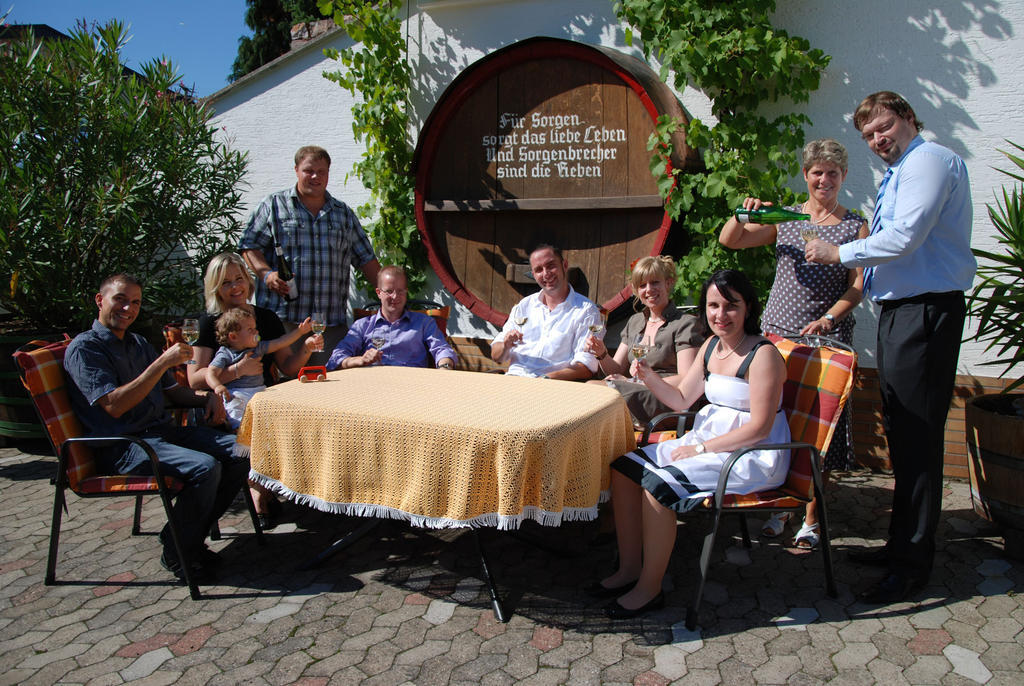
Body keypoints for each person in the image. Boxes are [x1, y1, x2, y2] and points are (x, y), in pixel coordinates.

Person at [805, 91, 975, 603]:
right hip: (905, 313)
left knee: (918, 440)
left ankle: (911, 565)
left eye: (884, 127)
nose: (879, 139)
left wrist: (840, 251)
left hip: (924, 311)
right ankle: (901, 545)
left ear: (906, 117)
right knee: (904, 435)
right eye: (869, 136)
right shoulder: (905, 168)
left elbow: (905, 237)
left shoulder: (929, 161)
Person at [590, 269, 790, 618]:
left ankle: (649, 589)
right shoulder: (712, 347)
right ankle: (629, 568)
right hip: (707, 439)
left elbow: (760, 427)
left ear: (748, 308)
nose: (720, 314)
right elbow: (682, 399)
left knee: (656, 487)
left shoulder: (763, 355)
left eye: (731, 306)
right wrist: (649, 377)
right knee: (623, 468)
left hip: (749, 454)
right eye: (713, 305)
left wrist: (700, 449)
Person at [719, 138, 869, 548]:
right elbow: (731, 240)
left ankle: (812, 519)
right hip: (778, 338)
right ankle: (783, 508)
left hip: (826, 340)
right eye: (817, 172)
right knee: (778, 421)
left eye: (833, 173)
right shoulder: (786, 218)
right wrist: (741, 213)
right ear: (805, 175)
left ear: (842, 178)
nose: (824, 179)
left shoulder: (854, 225)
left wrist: (828, 318)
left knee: (818, 429)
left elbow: (858, 288)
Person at [63, 274, 249, 583]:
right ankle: (180, 550)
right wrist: (161, 363)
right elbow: (114, 405)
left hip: (162, 434)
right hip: (123, 445)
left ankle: (183, 539)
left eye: (135, 302)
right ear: (100, 300)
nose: (128, 308)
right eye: (120, 299)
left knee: (242, 452)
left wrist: (206, 398)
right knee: (205, 469)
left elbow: (173, 393)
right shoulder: (85, 349)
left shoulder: (137, 343)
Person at [187, 252, 323, 528]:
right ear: (215, 287)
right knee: (251, 427)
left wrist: (306, 349)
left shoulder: (266, 318)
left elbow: (287, 365)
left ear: (249, 282)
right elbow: (194, 378)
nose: (235, 287)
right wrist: (237, 371)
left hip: (266, 396)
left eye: (239, 279)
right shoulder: (208, 323)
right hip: (228, 401)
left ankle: (303, 488)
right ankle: (260, 492)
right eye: (226, 282)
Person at [239, 145, 381, 364]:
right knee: (281, 388)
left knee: (328, 386)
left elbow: (366, 259)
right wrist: (267, 275)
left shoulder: (342, 213)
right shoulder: (274, 206)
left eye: (321, 171)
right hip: (282, 323)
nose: (315, 176)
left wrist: (390, 295)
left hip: (328, 325)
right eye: (308, 170)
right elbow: (249, 245)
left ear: (328, 173)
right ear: (296, 170)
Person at [585, 256, 703, 425]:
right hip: (635, 392)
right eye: (642, 285)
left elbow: (686, 378)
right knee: (588, 387)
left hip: (666, 399)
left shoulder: (685, 324)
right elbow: (617, 368)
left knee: (596, 393)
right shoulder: (635, 322)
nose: (649, 289)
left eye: (655, 282)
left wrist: (636, 382)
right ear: (636, 290)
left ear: (668, 283)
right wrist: (601, 353)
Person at [490, 244, 602, 380]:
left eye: (551, 266)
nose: (546, 273)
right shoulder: (524, 306)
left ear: (564, 265)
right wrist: (505, 346)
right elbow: (496, 356)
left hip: (553, 387)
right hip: (514, 380)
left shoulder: (586, 311)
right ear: (533, 275)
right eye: (538, 270)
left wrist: (545, 379)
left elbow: (586, 367)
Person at [327, 265, 456, 370]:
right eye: (389, 291)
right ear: (379, 293)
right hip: (372, 388)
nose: (395, 297)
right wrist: (359, 360)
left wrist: (444, 368)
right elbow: (336, 358)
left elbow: (442, 349)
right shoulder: (362, 326)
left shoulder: (423, 323)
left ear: (406, 292)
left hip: (412, 387)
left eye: (400, 291)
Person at [208, 306, 314, 429]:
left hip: (260, 390)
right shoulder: (225, 353)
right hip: (237, 394)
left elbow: (280, 342)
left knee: (274, 410)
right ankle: (239, 436)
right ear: (233, 337)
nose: (256, 332)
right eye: (250, 329)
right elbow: (211, 372)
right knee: (236, 414)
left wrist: (300, 332)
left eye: (255, 328)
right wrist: (217, 386)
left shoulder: (258, 347)